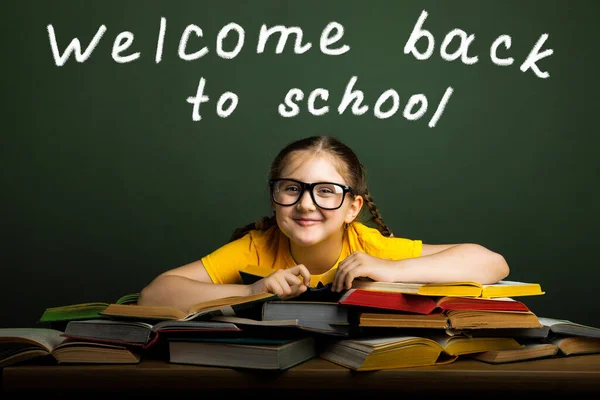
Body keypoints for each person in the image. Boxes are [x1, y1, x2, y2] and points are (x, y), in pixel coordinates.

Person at [138, 135, 509, 312]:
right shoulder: (255, 247)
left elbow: (492, 262)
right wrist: (252, 292)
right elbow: (154, 295)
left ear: (352, 207)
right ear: (274, 198)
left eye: (326, 191)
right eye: (292, 189)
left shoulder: (368, 248)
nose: (305, 204)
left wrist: (390, 269)